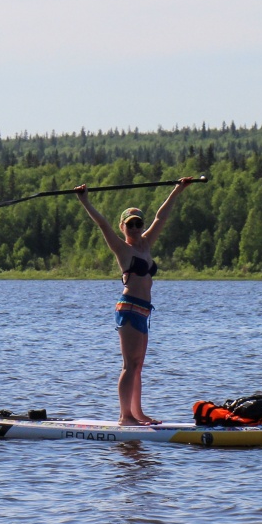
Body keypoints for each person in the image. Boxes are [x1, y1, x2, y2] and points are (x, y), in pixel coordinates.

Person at [75, 177, 197, 425]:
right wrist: (85, 200)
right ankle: (125, 416)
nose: (134, 228)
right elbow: (102, 224)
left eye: (137, 224)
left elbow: (161, 218)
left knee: (138, 366)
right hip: (129, 309)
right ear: (123, 227)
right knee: (129, 364)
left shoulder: (146, 245)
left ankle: (138, 413)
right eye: (129, 225)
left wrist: (178, 189)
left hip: (144, 312)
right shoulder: (123, 249)